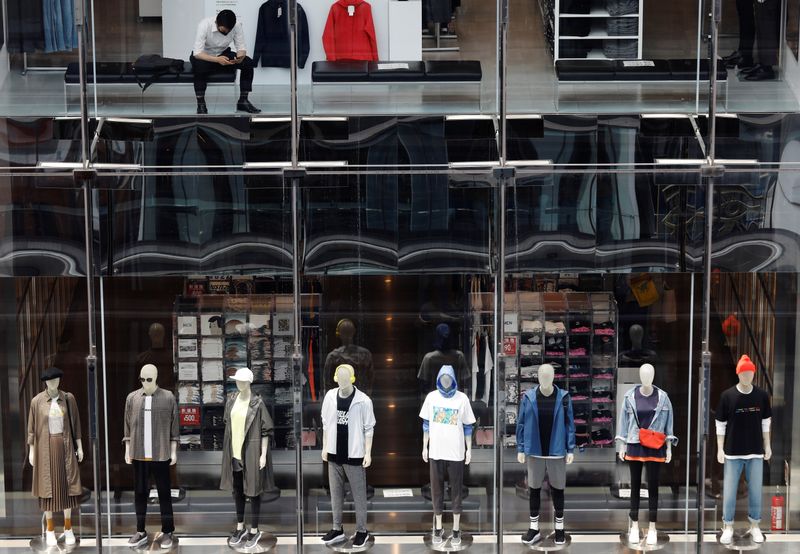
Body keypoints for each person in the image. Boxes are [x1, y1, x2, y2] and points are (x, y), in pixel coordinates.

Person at [191, 10, 261, 114]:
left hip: (222, 54)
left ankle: (243, 101)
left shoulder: (236, 25)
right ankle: (201, 104)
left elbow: (241, 47)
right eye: (223, 31)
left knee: (248, 63)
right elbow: (197, 53)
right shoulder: (204, 25)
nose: (226, 33)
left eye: (229, 31)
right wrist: (217, 60)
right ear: (216, 23)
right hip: (204, 56)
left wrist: (240, 56)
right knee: (200, 68)